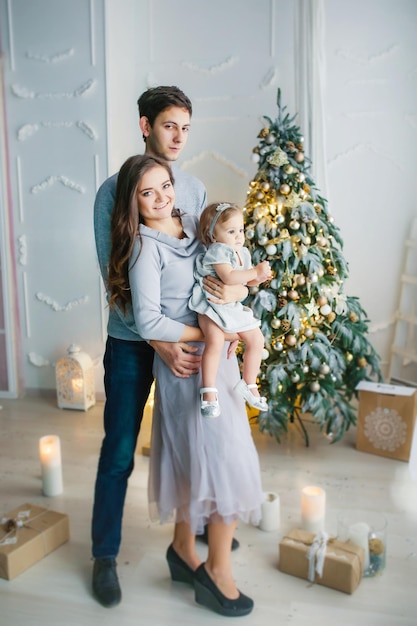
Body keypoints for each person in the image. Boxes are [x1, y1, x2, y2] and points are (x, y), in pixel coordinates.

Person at [91, 86, 243, 608]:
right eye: (168, 126)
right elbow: (119, 284)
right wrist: (160, 342)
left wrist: (229, 299)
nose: (177, 137)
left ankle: (193, 533)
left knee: (194, 439)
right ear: (144, 125)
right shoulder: (113, 193)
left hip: (185, 340)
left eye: (185, 128)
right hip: (136, 341)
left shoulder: (194, 189)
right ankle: (105, 554)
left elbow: (203, 262)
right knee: (118, 451)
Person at [108, 153, 264, 617]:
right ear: (132, 203)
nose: (161, 198)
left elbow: (228, 269)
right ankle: (218, 572)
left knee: (209, 457)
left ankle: (183, 549)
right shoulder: (144, 247)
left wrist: (235, 297)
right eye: (147, 192)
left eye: (165, 186)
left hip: (222, 357)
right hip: (186, 366)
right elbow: (149, 318)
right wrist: (210, 332)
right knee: (219, 459)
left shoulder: (194, 221)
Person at [189, 202, 271, 418]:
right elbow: (229, 277)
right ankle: (208, 391)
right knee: (214, 340)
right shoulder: (218, 251)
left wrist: (258, 278)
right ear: (213, 236)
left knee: (257, 340)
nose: (238, 236)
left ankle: (249, 384)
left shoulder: (242, 251)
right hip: (209, 305)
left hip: (230, 306)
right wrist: (254, 271)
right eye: (231, 231)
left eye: (241, 230)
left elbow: (246, 282)